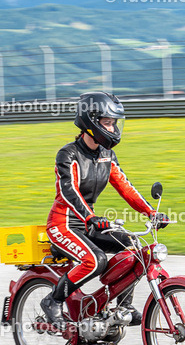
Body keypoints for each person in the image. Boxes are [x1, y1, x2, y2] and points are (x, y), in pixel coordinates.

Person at [41, 91, 168, 329]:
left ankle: (124, 305)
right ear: (90, 121)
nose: (113, 128)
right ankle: (52, 301)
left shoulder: (107, 155)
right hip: (64, 224)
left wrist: (151, 212)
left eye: (114, 123)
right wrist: (90, 217)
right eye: (107, 122)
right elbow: (69, 192)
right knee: (95, 260)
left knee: (134, 246)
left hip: (88, 224)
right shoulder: (68, 154)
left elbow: (126, 188)